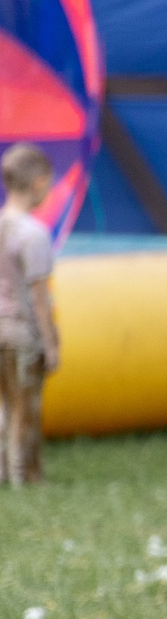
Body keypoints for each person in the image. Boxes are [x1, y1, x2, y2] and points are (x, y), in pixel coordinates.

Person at [0, 144, 60, 487]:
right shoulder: (34, 234)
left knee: (4, 406)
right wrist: (51, 345)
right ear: (38, 183)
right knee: (26, 407)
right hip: (21, 334)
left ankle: (4, 472)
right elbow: (40, 299)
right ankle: (25, 476)